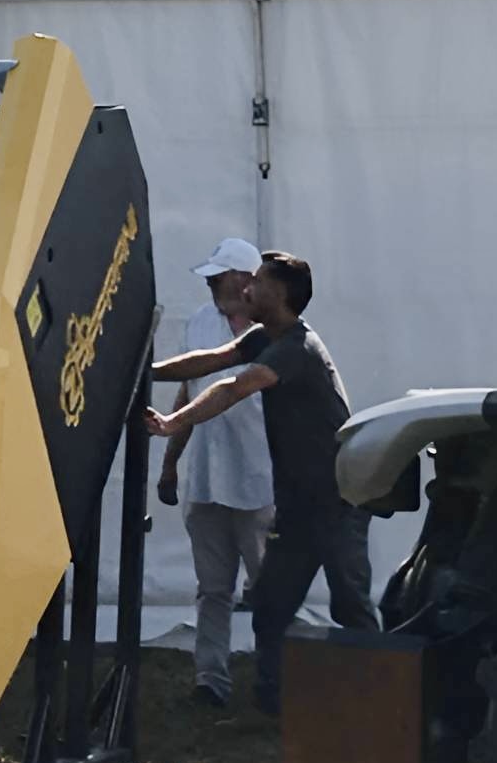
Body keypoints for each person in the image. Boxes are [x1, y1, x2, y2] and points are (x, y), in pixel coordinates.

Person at [141, 249, 367, 713]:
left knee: (352, 608)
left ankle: (379, 703)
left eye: (258, 282)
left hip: (337, 503)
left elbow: (232, 386)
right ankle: (273, 705)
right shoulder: (268, 335)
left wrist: (170, 422)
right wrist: (146, 373)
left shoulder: (296, 350)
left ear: (279, 293)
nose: (247, 288)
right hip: (297, 507)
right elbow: (211, 361)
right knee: (271, 608)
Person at [155, 237, 274, 708]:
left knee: (268, 589)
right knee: (212, 588)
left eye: (218, 276)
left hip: (260, 477)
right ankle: (210, 680)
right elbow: (191, 390)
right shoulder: (203, 322)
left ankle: (273, 680)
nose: (210, 284)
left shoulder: (276, 331)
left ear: (246, 281)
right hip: (207, 477)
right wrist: (170, 463)